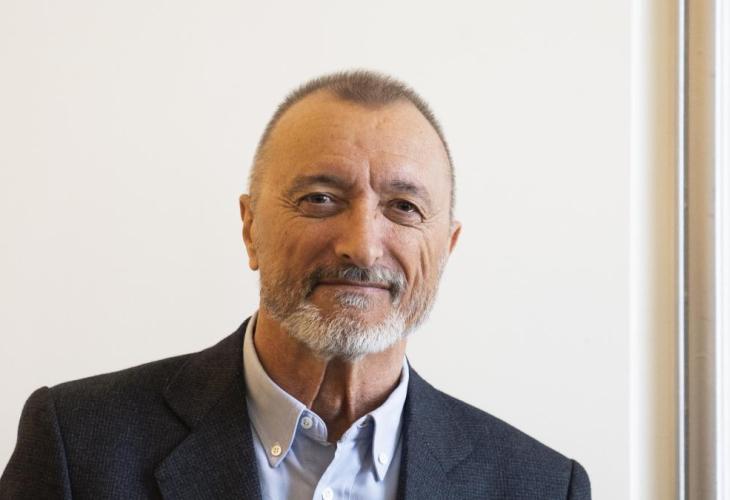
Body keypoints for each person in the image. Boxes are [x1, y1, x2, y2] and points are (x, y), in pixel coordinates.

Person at [0, 70, 591, 499]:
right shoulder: (79, 447)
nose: (362, 246)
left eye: (404, 207)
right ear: (250, 228)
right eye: (320, 199)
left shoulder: (540, 486)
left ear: (447, 249)